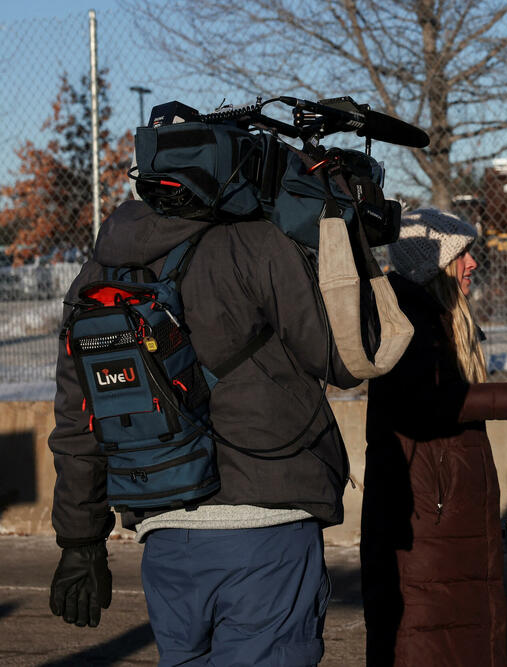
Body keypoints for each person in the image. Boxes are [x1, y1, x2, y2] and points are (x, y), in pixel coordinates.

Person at [48, 196, 365, 665]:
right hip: (267, 523)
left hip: (166, 533)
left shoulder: (100, 271)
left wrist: (81, 542)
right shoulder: (257, 241)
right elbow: (347, 359)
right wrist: (343, 234)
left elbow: (79, 422)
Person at [360, 208, 507, 667]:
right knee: (428, 642)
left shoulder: (434, 318)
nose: (473, 263)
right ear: (432, 263)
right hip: (425, 523)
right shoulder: (407, 321)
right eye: (462, 253)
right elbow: (435, 399)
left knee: (460, 637)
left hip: (443, 518)